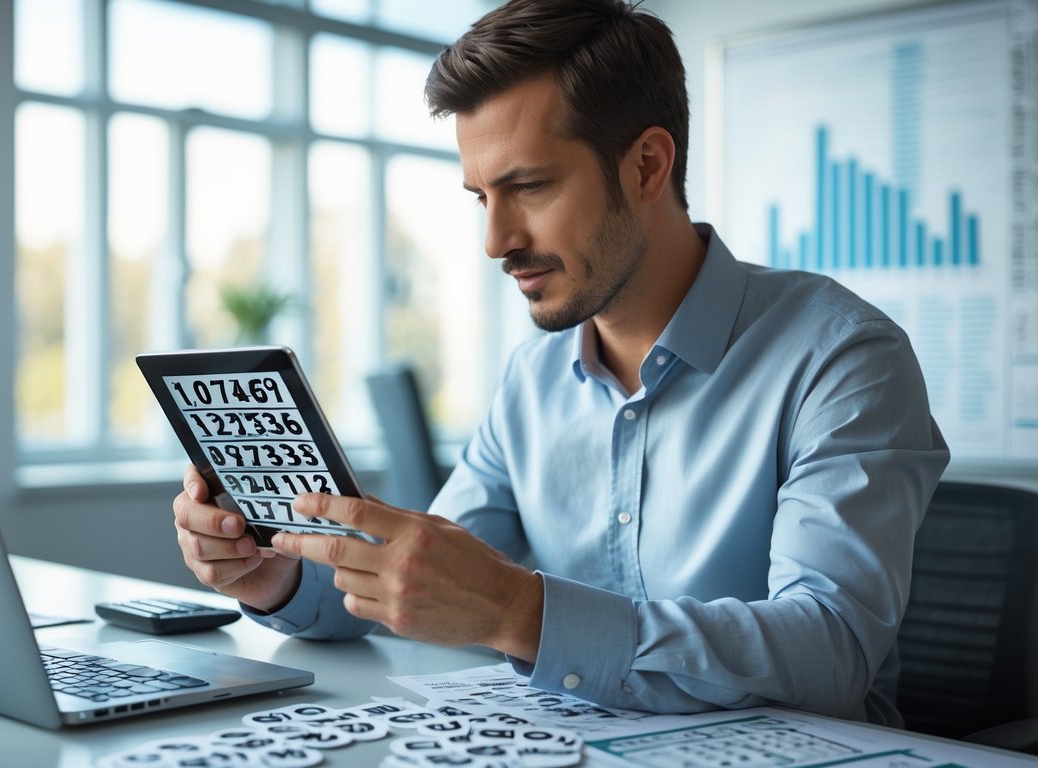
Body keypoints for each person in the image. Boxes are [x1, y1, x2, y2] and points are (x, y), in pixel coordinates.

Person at [171, 0, 948, 725]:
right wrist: (272, 574)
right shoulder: (531, 380)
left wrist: (521, 613)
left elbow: (832, 648)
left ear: (646, 166)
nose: (495, 241)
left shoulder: (841, 356)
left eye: (529, 187)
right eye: (481, 197)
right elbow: (421, 587)